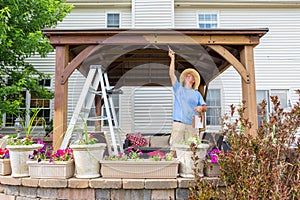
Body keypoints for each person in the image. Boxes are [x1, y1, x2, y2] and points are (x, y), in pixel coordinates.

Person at [168, 48, 207, 146]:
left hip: (193, 124)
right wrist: (172, 58)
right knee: (175, 149)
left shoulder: (197, 94)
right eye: (187, 75)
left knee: (192, 149)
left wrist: (201, 108)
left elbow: (205, 107)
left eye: (191, 75)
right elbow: (172, 74)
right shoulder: (178, 89)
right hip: (179, 124)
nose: (188, 75)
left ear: (194, 81)